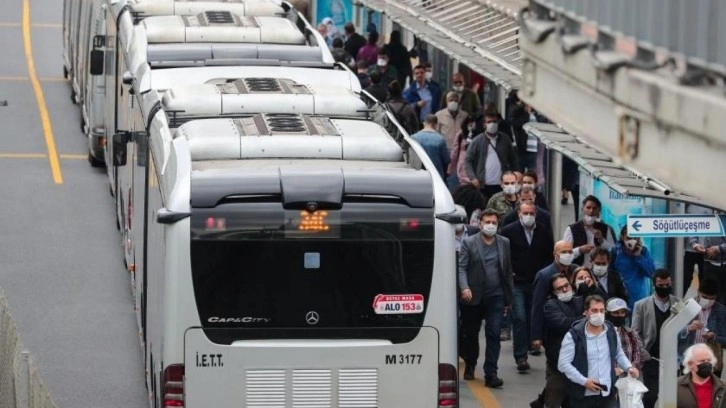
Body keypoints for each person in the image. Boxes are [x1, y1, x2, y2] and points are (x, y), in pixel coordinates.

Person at [458, 209, 514, 387]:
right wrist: (464, 287)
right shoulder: (469, 242)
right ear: (480, 223)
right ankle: (470, 364)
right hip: (473, 297)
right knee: (471, 334)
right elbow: (461, 268)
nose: (490, 225)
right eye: (487, 222)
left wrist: (508, 298)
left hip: (496, 297)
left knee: (493, 334)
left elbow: (507, 270)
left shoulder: (504, 242)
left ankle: (491, 373)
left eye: (494, 223)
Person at [500, 202, 554, 372]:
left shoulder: (543, 231)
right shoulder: (508, 232)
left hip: (537, 282)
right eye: (525, 212)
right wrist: (509, 273)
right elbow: (503, 256)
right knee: (520, 318)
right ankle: (521, 356)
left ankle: (533, 343)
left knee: (533, 314)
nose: (529, 216)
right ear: (519, 214)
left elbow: (549, 255)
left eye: (531, 212)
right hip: (517, 282)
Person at [558, 295, 640, 407]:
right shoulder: (574, 335)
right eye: (594, 310)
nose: (599, 314)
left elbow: (618, 354)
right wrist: (584, 381)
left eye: (602, 310)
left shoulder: (611, 332)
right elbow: (563, 364)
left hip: (607, 393)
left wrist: (629, 367)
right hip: (583, 396)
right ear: (586, 312)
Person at [632, 268, 680, 408]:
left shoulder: (678, 303)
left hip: (672, 358)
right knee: (650, 395)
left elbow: (683, 330)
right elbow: (635, 333)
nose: (665, 288)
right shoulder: (641, 305)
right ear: (654, 285)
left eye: (667, 285)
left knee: (672, 395)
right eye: (661, 285)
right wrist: (643, 352)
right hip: (651, 357)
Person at [540, 274, 585, 408]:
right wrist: (583, 319)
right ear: (553, 292)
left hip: (579, 363)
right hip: (558, 363)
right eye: (560, 288)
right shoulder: (550, 305)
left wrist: (590, 288)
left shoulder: (579, 300)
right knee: (554, 400)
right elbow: (563, 324)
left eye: (566, 286)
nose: (565, 290)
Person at [531, 240, 579, 358]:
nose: (567, 254)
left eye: (570, 251)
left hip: (575, 323)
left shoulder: (576, 270)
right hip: (554, 327)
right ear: (555, 254)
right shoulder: (544, 275)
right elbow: (537, 305)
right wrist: (536, 335)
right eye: (564, 252)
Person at [465, 110, 518, 199]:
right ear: (484, 124)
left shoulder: (505, 139)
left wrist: (515, 176)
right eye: (489, 122)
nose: (492, 124)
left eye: (494, 121)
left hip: (501, 185)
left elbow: (513, 160)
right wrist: (473, 178)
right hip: (482, 186)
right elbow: (468, 160)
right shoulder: (477, 141)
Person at [680, 278, 726, 377]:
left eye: (712, 298)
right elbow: (674, 332)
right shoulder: (687, 306)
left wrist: (713, 337)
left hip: (711, 362)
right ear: (698, 292)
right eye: (705, 297)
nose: (708, 301)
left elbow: (724, 339)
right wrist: (688, 328)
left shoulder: (721, 311)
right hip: (689, 358)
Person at [562, 195, 616, 267]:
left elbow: (612, 251)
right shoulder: (572, 229)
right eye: (588, 208)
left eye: (594, 208)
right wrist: (579, 250)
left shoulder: (605, 228)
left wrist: (602, 240)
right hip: (578, 271)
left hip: (598, 270)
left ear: (598, 211)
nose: (591, 211)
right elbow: (564, 256)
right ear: (582, 209)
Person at [613, 226, 657, 310]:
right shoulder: (615, 252)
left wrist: (638, 257)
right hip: (621, 300)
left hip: (640, 300)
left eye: (635, 237)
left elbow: (652, 273)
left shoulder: (643, 252)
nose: (632, 240)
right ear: (622, 237)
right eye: (629, 237)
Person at [606, 297, 647, 373]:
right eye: (615, 313)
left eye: (622, 312)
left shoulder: (631, 333)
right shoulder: (602, 333)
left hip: (627, 377)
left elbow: (639, 355)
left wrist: (629, 368)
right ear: (608, 314)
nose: (619, 315)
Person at [677, 343, 726, 408]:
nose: (707, 363)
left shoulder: (723, 386)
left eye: (709, 360)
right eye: (702, 361)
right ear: (690, 364)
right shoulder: (676, 386)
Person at [411, 115, 450, 180]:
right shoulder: (440, 139)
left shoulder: (414, 137)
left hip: (417, 174)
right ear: (435, 125)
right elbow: (446, 159)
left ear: (424, 123)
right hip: (436, 175)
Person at [691, 235, 726, 305]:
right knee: (708, 296)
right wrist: (694, 244)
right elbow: (694, 226)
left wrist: (720, 248)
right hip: (708, 262)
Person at [510, 101, 543, 172]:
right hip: (522, 150)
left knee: (532, 173)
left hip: (534, 150)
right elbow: (516, 124)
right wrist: (526, 113)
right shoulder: (520, 114)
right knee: (519, 172)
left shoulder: (537, 116)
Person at [448, 117, 476, 189]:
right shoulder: (460, 135)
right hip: (462, 165)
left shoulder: (479, 135)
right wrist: (451, 168)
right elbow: (454, 152)